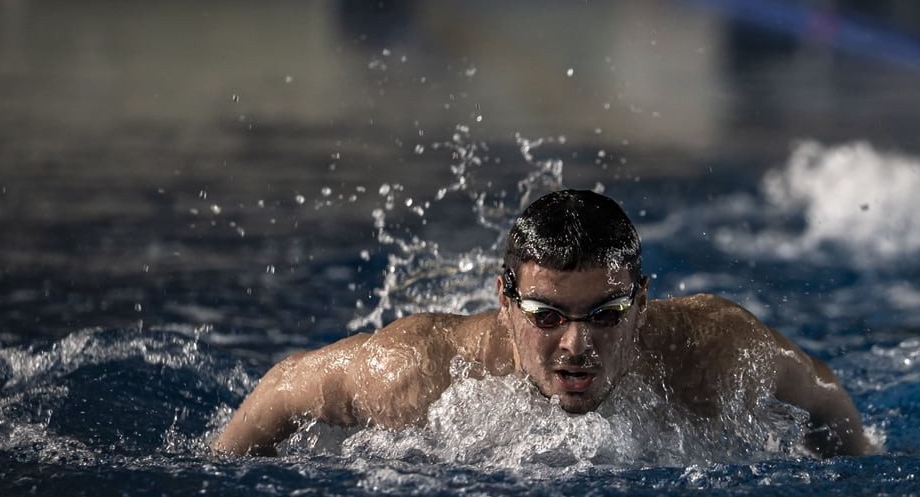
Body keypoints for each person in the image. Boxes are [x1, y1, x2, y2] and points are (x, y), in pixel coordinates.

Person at [213, 189, 872, 458]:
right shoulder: (418, 372)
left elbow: (826, 396)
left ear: (641, 302)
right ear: (505, 301)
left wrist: (853, 465)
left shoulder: (716, 354)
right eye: (547, 316)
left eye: (606, 316)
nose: (577, 345)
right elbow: (279, 389)